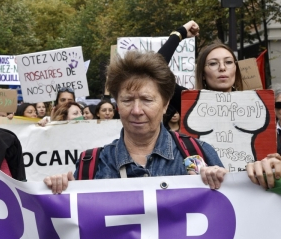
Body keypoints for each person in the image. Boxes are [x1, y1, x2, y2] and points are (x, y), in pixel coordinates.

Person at [44, 51, 226, 194]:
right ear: (117, 104)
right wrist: (61, 194)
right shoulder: (91, 165)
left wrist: (226, 183)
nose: (137, 110)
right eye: (127, 100)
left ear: (165, 104)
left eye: (147, 100)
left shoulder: (200, 153)